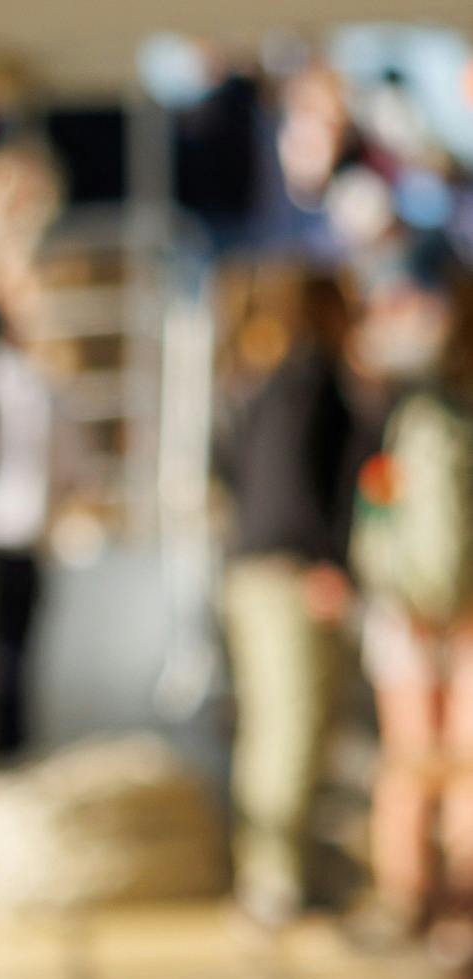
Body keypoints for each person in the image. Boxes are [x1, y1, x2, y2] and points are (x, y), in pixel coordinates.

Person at [212, 265, 358, 924]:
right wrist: (323, 561)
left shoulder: (259, 379)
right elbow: (301, 481)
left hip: (249, 570)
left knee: (268, 728)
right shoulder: (312, 379)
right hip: (291, 573)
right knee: (292, 729)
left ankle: (269, 874)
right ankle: (275, 880)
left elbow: (231, 471)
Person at [350, 264, 473, 979]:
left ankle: (455, 911)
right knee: (413, 760)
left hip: (457, 611)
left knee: (459, 767)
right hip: (408, 610)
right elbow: (376, 512)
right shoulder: (396, 411)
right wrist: (402, 589)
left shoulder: (431, 413)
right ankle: (410, 899)